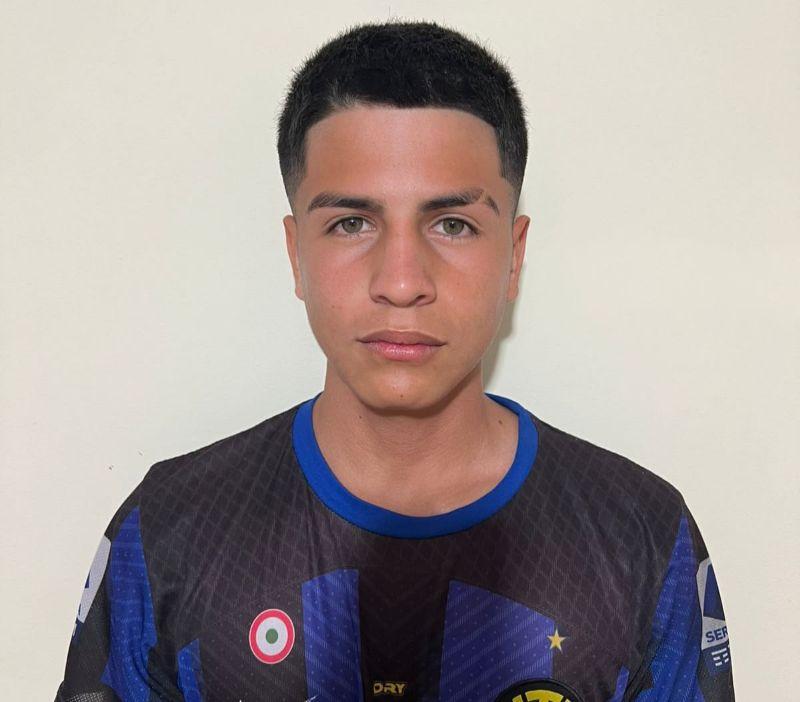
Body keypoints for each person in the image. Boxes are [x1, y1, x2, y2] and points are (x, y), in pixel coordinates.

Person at [55, 19, 734, 702]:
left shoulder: (641, 536)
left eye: (453, 224)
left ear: (514, 256)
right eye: (352, 223)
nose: (402, 282)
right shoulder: (169, 530)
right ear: (296, 255)